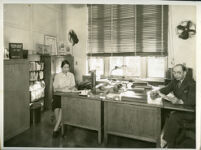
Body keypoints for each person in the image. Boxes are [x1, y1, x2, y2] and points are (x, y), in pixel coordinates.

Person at [150, 64, 196, 148]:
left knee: (174, 117)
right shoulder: (175, 81)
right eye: (174, 72)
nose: (176, 75)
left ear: (185, 73)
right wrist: (156, 92)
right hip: (180, 109)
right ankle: (168, 140)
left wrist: (180, 101)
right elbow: (166, 89)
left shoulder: (191, 83)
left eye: (179, 72)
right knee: (166, 114)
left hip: (190, 112)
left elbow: (192, 100)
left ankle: (166, 142)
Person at [52, 60, 76, 137]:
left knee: (63, 107)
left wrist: (70, 88)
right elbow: (55, 89)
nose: (66, 69)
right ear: (61, 67)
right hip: (58, 94)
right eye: (65, 67)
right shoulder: (57, 76)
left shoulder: (71, 75)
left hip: (68, 96)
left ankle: (56, 128)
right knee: (56, 107)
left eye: (68, 67)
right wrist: (63, 89)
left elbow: (73, 86)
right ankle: (60, 124)